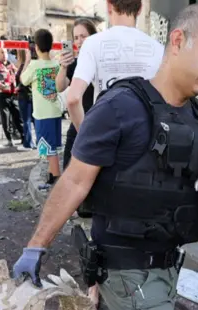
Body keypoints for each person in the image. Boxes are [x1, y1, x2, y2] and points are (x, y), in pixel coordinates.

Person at [13, 5, 198, 310]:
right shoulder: (119, 107)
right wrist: (36, 246)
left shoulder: (196, 116)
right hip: (125, 266)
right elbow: (74, 182)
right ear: (178, 40)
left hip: (166, 263)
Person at [66, 0, 164, 130]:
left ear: (109, 6)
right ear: (140, 9)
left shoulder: (92, 43)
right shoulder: (158, 48)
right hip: (145, 135)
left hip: (106, 132)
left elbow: (73, 99)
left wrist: (86, 137)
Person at [20, 29, 62, 189]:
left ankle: (56, 178)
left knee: (49, 149)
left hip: (43, 114)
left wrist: (27, 60)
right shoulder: (56, 64)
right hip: (55, 110)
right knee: (52, 146)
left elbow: (23, 80)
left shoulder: (34, 65)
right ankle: (52, 177)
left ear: (35, 47)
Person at [56, 18, 98, 170]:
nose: (79, 41)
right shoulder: (74, 63)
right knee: (69, 165)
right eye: (76, 37)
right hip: (77, 122)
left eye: (83, 36)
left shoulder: (102, 60)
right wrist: (63, 67)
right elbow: (60, 87)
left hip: (98, 122)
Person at [0, 48, 23, 146]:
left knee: (18, 116)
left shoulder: (11, 64)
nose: (4, 54)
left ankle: (23, 136)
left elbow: (18, 76)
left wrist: (18, 85)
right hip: (2, 95)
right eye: (1, 52)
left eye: (5, 52)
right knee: (5, 118)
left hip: (13, 94)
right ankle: (9, 139)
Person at [16, 50, 35, 150]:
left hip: (24, 96)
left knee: (26, 121)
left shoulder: (26, 65)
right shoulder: (36, 65)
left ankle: (28, 143)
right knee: (35, 120)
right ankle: (38, 141)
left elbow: (21, 79)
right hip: (33, 96)